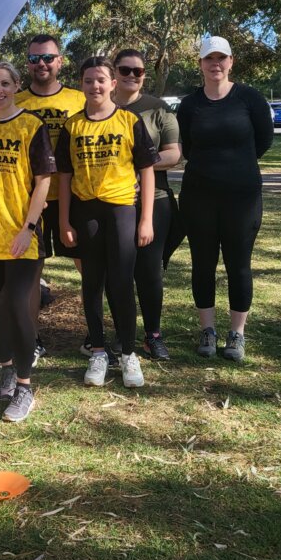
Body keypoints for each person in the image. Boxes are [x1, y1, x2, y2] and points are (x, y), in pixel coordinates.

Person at [56, 56, 158, 389]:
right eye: (88, 80)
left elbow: (146, 171)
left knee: (121, 283)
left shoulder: (129, 121)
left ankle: (129, 353)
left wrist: (146, 219)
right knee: (92, 284)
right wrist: (64, 221)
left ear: (113, 83)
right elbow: (64, 178)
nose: (95, 86)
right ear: (81, 85)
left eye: (101, 79)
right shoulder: (72, 126)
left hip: (121, 211)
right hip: (86, 213)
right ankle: (98, 351)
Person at [176, 36, 273, 364]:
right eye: (209, 59)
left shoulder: (250, 98)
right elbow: (186, 147)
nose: (215, 64)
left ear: (231, 62)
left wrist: (236, 167)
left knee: (238, 266)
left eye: (222, 58)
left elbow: (264, 140)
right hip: (199, 198)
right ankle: (208, 330)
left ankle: (237, 333)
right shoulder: (190, 104)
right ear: (201, 64)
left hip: (242, 199)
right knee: (202, 264)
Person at [0, 62, 54, 422]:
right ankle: (6, 368)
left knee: (19, 308)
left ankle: (24, 386)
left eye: (5, 83)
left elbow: (43, 181)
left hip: (21, 237)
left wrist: (29, 227)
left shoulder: (32, 126)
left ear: (17, 85)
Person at [15, 35, 85, 356]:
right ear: (27, 63)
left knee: (89, 267)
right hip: (33, 202)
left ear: (60, 61)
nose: (41, 64)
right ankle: (32, 340)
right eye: (34, 59)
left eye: (47, 58)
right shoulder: (16, 102)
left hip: (75, 197)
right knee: (32, 273)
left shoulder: (80, 98)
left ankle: (94, 335)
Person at [112, 49, 181, 359]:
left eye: (137, 71)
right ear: (114, 72)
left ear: (144, 76)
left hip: (156, 201)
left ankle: (153, 334)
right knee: (118, 271)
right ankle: (121, 333)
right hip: (114, 203)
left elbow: (173, 154)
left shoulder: (158, 109)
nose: (131, 75)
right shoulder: (100, 105)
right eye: (125, 69)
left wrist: (139, 165)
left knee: (150, 271)